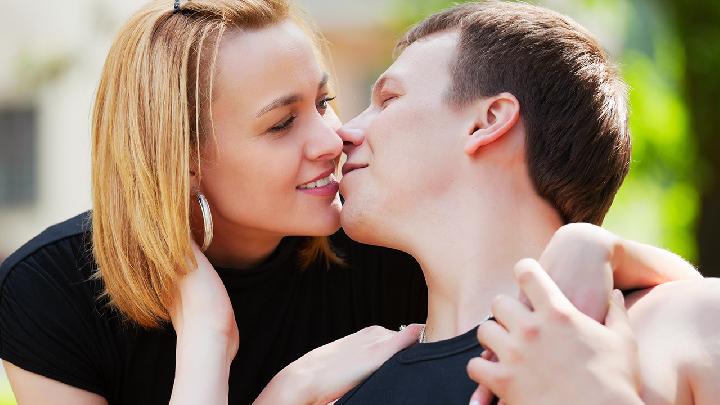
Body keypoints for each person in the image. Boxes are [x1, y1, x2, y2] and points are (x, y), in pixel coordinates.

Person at [0, 0, 698, 404]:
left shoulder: (380, 253)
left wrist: (588, 246)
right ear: (180, 161)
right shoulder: (51, 293)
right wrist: (225, 352)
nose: (338, 135)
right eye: (282, 123)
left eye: (330, 100)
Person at [333, 1, 711, 404]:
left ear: (488, 120)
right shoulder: (342, 386)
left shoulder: (684, 322)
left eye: (388, 98)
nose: (346, 131)